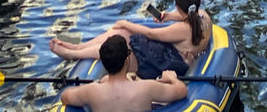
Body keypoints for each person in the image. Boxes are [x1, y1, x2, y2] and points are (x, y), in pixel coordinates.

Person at [50, 0, 213, 78]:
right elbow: (187, 17)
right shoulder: (204, 17)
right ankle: (79, 47)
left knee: (121, 44)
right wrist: (168, 16)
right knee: (122, 33)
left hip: (170, 62)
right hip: (175, 55)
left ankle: (75, 54)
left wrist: (127, 23)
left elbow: (151, 34)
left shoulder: (182, 29)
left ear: (178, 6)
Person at [58, 36, 187, 112]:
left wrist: (98, 83)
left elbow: (65, 97)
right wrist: (171, 78)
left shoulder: (92, 91)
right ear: (127, 60)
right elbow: (182, 91)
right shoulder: (147, 87)